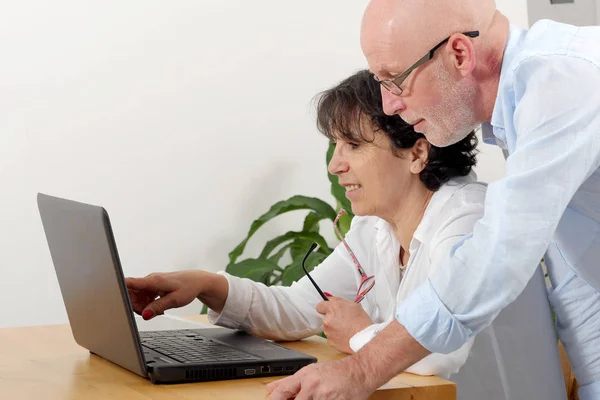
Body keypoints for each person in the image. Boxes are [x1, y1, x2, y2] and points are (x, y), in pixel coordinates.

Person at [127, 70, 565, 399]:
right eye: (335, 146)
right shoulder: (375, 227)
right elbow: (300, 309)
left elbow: (437, 352)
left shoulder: (469, 220)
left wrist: (358, 334)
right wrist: (207, 285)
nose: (335, 165)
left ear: (416, 152)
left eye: (353, 146)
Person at [266, 1, 600, 399]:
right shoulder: (525, 106)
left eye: (394, 80)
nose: (389, 105)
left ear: (459, 54)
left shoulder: (560, 80)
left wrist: (363, 367)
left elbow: (498, 255)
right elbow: (583, 274)